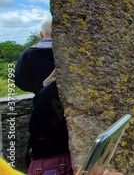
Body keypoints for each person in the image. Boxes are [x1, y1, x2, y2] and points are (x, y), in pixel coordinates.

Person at [14, 21, 123, 175]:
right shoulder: (66, 65)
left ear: (41, 34)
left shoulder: (29, 55)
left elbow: (20, 82)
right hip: (60, 139)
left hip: (48, 142)